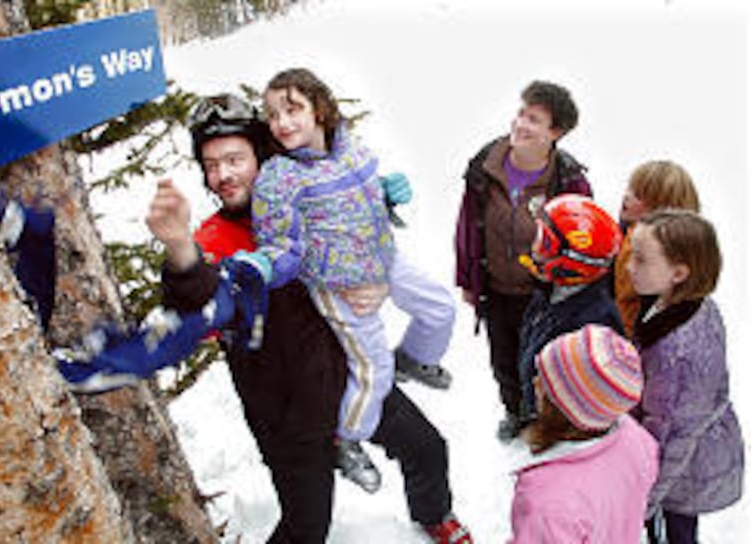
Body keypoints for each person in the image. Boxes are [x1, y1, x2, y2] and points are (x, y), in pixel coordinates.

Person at [147, 93, 473, 543]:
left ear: (261, 155)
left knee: (428, 448)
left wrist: (379, 202)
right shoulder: (214, 238)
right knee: (306, 527)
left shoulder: (301, 201)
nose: (222, 175)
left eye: (234, 159)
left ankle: (434, 513)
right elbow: (198, 306)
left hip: (344, 379)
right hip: (287, 413)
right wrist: (181, 251)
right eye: (211, 165)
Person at [248, 68, 457, 487]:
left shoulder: (349, 146)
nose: (282, 123)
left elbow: (352, 192)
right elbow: (280, 242)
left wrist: (384, 189)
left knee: (439, 306)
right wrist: (266, 265)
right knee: (373, 369)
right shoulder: (278, 177)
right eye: (273, 115)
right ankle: (345, 437)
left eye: (293, 110)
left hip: (380, 251)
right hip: (339, 282)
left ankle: (414, 358)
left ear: (320, 110)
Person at [454, 80, 592, 442]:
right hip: (496, 288)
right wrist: (468, 279)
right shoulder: (485, 168)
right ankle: (514, 411)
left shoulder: (569, 181)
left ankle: (547, 417)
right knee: (503, 358)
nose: (521, 124)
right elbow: (467, 227)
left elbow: (585, 239)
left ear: (555, 132)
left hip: (542, 294)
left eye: (534, 120)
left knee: (541, 360)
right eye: (521, 113)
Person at [627, 209, 744, 544]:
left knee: (672, 535)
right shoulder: (685, 303)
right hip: (684, 458)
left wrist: (646, 500)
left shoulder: (677, 353)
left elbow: (673, 437)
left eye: (641, 260)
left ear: (679, 272)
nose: (629, 267)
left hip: (676, 479)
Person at [508, 325, 659, 543]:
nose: (535, 382)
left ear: (566, 408)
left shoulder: (546, 502)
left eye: (546, 383)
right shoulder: (637, 439)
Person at [515, 194, 624, 426]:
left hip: (559, 428)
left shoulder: (595, 325)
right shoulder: (549, 289)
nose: (534, 247)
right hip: (537, 404)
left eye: (544, 242)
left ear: (572, 262)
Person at [613, 160, 700, 338]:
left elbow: (625, 304)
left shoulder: (642, 250)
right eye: (629, 188)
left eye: (637, 195)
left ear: (660, 210)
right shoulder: (624, 232)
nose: (626, 196)